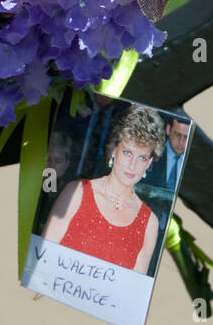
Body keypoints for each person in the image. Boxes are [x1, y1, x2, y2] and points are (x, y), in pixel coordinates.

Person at [42, 105, 164, 274]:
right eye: (127, 152)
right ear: (114, 150)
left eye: (142, 157)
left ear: (149, 163)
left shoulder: (150, 223)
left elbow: (132, 294)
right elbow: (40, 262)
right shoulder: (76, 192)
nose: (133, 165)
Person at [143, 113, 192, 191]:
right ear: (168, 129)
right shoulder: (151, 153)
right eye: (177, 135)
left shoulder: (194, 162)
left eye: (186, 137)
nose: (181, 142)